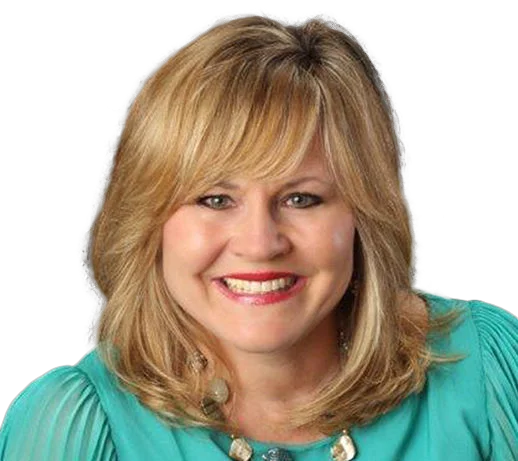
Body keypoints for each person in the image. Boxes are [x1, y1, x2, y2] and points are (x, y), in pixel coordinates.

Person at [1, 14, 517, 461]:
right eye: (215, 199)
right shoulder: (75, 428)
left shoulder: (486, 372)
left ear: (365, 215)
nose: (260, 243)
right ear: (147, 221)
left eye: (302, 199)